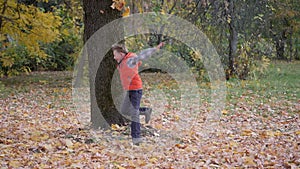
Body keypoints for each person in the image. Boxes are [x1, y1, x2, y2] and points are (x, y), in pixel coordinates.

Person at [112, 42, 164, 145]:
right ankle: (146, 110)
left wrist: (154, 49)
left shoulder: (130, 60)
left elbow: (142, 55)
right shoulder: (122, 62)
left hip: (135, 89)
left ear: (121, 54)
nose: (114, 57)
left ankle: (136, 138)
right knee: (125, 110)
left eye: (115, 54)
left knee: (134, 113)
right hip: (129, 90)